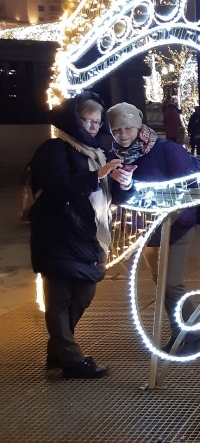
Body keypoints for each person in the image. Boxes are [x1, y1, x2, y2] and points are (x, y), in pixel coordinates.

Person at [29, 91, 121, 379]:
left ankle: (58, 351)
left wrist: (121, 181)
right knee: (59, 299)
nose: (93, 127)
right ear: (74, 120)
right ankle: (71, 361)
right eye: (87, 121)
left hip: (86, 235)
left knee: (83, 293)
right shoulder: (54, 149)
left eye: (97, 122)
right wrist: (97, 176)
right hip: (58, 233)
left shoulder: (96, 153)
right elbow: (58, 187)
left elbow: (110, 194)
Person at [107, 102, 200, 355]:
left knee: (170, 285)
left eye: (128, 128)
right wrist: (124, 186)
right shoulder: (114, 157)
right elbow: (118, 198)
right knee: (161, 284)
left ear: (139, 127)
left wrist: (177, 220)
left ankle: (189, 335)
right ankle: (183, 331)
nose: (123, 135)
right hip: (146, 231)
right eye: (117, 130)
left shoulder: (167, 150)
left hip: (175, 228)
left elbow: (190, 189)